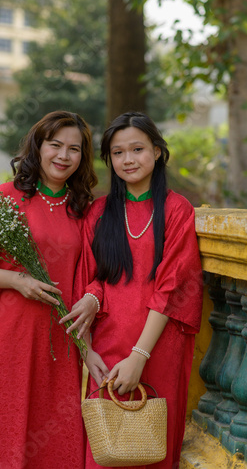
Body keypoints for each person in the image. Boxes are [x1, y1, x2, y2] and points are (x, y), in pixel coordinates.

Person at [0, 110, 98, 469]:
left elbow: (101, 273)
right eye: (55, 145)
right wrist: (18, 280)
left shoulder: (86, 210)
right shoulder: (4, 199)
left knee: (53, 429)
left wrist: (93, 299)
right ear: (38, 146)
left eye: (74, 149)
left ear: (83, 157)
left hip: (61, 338)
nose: (63, 156)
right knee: (3, 422)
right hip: (10, 333)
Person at [63, 111, 203, 469]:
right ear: (109, 159)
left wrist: (140, 356)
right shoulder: (98, 213)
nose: (128, 160)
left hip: (158, 345)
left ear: (157, 152)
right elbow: (91, 279)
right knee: (106, 449)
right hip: (108, 343)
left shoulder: (176, 210)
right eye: (118, 152)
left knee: (150, 447)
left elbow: (172, 288)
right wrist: (87, 349)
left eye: (137, 149)